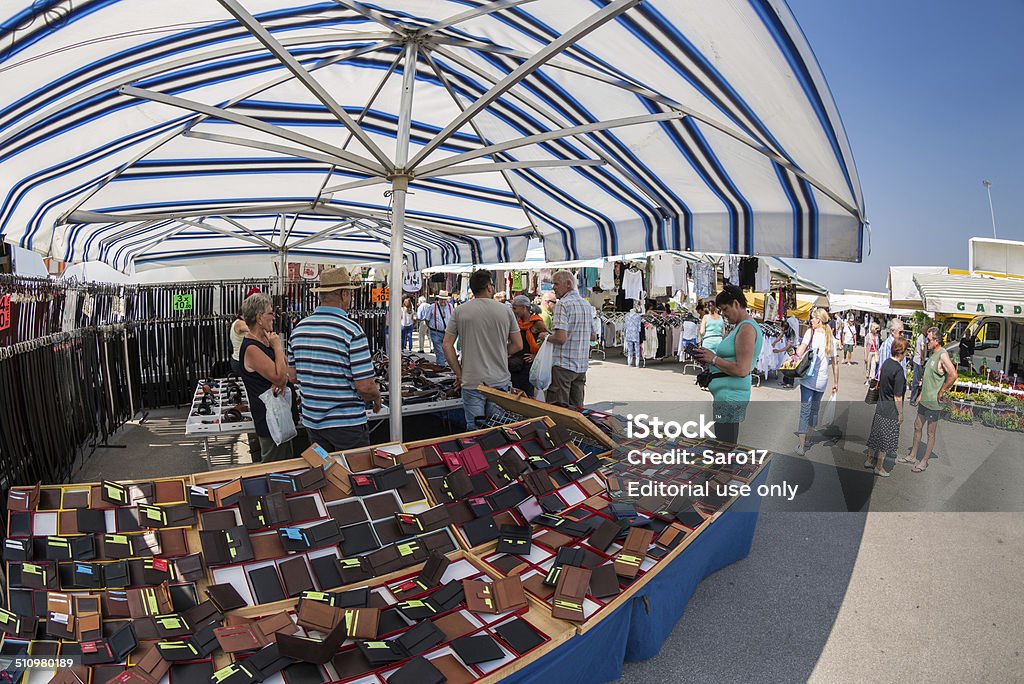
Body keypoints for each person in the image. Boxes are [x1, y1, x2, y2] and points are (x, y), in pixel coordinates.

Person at [287, 267, 382, 452]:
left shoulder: (298, 329)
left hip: (313, 422)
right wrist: (376, 397)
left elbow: (292, 376)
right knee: (355, 475)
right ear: (344, 294)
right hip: (346, 423)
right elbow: (365, 386)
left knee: (327, 475)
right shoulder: (351, 331)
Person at [442, 269, 522, 428]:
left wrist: (459, 373)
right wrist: (499, 351)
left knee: (474, 427)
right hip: (499, 379)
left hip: (472, 379)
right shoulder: (506, 310)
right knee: (499, 426)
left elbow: (446, 344)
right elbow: (518, 344)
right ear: (489, 287)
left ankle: (474, 453)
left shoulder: (460, 310)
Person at [693, 285, 763, 445]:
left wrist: (713, 359)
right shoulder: (742, 326)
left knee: (725, 446)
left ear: (736, 304)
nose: (723, 314)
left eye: (725, 309)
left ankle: (726, 470)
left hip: (730, 398)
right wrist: (709, 358)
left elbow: (742, 369)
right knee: (724, 443)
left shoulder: (746, 328)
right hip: (727, 396)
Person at [238, 293, 293, 462]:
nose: (274, 317)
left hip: (279, 415)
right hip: (270, 419)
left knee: (285, 463)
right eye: (270, 313)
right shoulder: (252, 348)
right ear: (259, 318)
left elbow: (289, 373)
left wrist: (276, 350)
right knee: (274, 467)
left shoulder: (264, 342)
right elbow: (280, 377)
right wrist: (277, 347)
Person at [900, 327, 957, 473]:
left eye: (929, 339)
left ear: (937, 341)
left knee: (930, 433)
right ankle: (913, 455)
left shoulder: (942, 355)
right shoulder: (933, 354)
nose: (927, 341)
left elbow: (953, 375)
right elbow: (928, 377)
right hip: (925, 399)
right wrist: (920, 395)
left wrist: (942, 390)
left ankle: (924, 461)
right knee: (917, 426)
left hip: (933, 402)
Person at [794, 308, 839, 456]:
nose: (810, 321)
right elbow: (835, 363)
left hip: (809, 379)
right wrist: (836, 383)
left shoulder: (810, 333)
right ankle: (808, 439)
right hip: (822, 381)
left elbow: (799, 352)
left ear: (819, 320)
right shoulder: (830, 337)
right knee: (814, 410)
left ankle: (801, 447)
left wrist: (793, 352)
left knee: (804, 412)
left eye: (813, 319)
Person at [546, 270, 595, 406]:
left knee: (559, 410)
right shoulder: (586, 305)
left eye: (556, 284)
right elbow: (593, 336)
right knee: (577, 410)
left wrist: (546, 336)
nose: (553, 287)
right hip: (581, 366)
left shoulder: (563, 304)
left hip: (564, 365)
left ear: (568, 284)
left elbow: (560, 338)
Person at [864, 336, 908, 477]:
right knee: (885, 439)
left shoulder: (886, 363)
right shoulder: (899, 371)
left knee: (875, 434)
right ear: (902, 352)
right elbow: (898, 396)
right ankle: (879, 466)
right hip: (890, 409)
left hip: (880, 405)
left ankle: (869, 460)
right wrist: (900, 413)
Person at [509, 294, 549, 395]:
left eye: (515, 308)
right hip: (515, 364)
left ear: (523, 308)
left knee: (527, 394)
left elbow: (548, 339)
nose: (513, 311)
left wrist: (536, 355)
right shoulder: (517, 322)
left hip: (528, 366)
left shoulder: (536, 322)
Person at [229, 286, 261, 375]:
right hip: (240, 362)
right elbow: (254, 330)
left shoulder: (245, 322)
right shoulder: (240, 323)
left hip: (246, 361)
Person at [425, 292, 455, 366]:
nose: (443, 301)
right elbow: (427, 319)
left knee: (447, 350)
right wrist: (431, 328)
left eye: (444, 299)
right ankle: (441, 365)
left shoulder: (450, 306)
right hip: (436, 332)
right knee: (439, 350)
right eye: (441, 299)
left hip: (447, 333)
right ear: (438, 299)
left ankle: (443, 363)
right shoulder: (432, 307)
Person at [909, 329, 927, 406]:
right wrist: (923, 359)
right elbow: (922, 348)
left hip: (917, 360)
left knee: (917, 380)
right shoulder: (922, 338)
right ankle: (913, 399)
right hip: (918, 361)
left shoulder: (920, 337)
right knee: (916, 381)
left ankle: (914, 398)